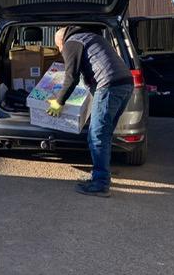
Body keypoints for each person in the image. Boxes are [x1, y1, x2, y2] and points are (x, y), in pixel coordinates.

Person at [47, 26, 133, 197]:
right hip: (125, 84)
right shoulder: (89, 36)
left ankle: (100, 184)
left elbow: (71, 78)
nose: (59, 50)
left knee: (97, 136)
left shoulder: (71, 42)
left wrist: (59, 101)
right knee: (104, 134)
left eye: (58, 46)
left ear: (61, 40)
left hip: (109, 86)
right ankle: (99, 177)